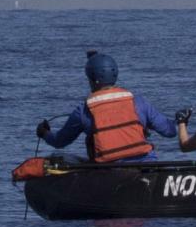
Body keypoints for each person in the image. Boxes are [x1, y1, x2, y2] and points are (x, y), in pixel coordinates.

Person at [37, 50, 178, 163]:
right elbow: (170, 131)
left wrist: (44, 133)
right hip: (148, 166)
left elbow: (59, 141)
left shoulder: (83, 111)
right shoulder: (139, 102)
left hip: (111, 174)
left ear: (91, 79)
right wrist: (180, 122)